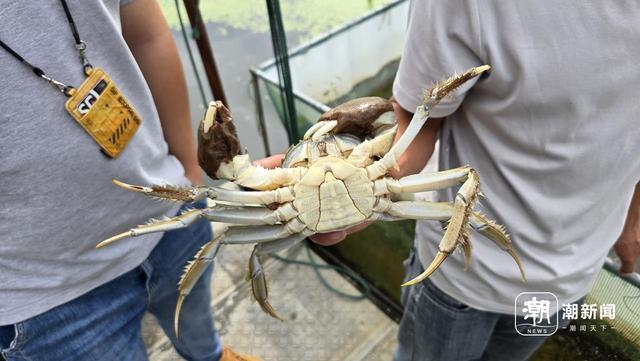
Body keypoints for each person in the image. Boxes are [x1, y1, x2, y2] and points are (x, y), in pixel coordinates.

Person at [306, 1, 640, 360]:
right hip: (461, 278)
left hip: (571, 281)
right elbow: (421, 117)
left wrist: (631, 221)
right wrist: (362, 187)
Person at [0, 1, 259, 360]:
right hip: (42, 294)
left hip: (173, 215)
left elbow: (147, 33)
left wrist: (188, 169)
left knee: (199, 328)